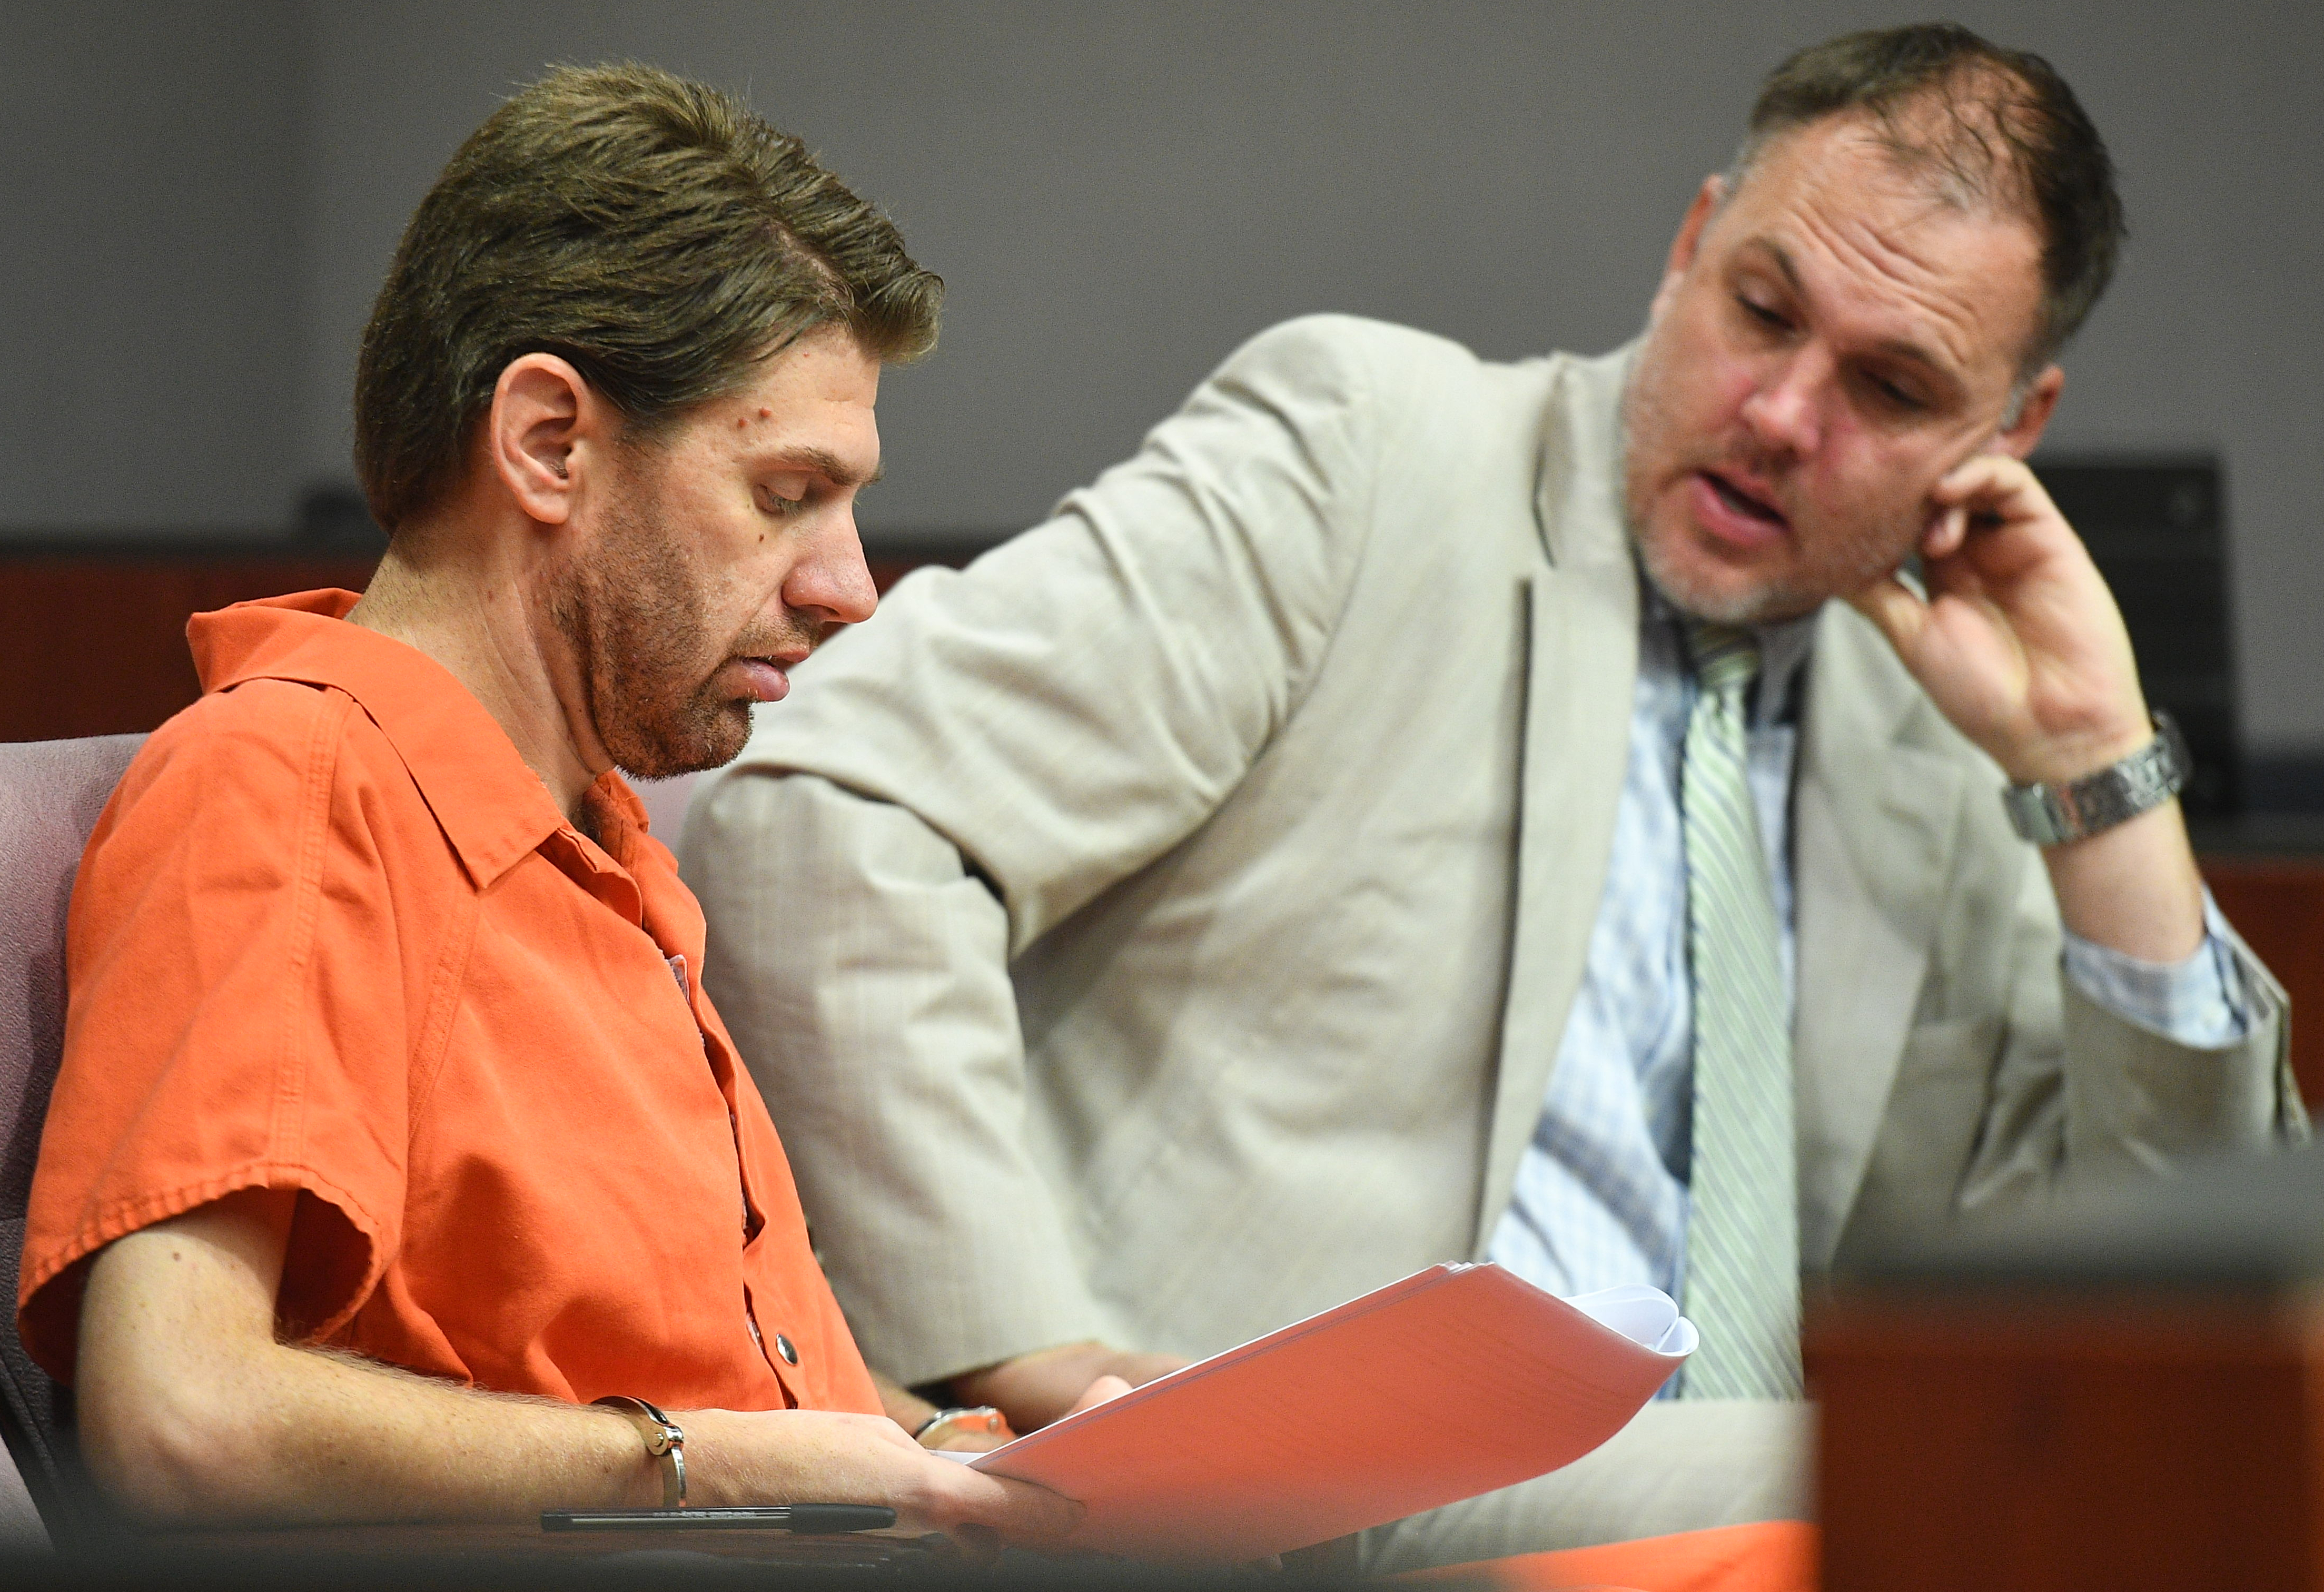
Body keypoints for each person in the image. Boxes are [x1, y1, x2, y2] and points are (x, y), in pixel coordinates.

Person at [680, 23, 2308, 1570]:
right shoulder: (1371, 454)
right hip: (1266, 1487)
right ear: (1691, 243)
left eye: (1890, 390)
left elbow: (2180, 1318)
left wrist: (2100, 773)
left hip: (1699, 1523)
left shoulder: (1951, 721)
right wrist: (1029, 1353)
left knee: (2180, 1455)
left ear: (2008, 430)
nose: (1783, 416)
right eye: (1761, 308)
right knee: (2091, 1471)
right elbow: (828, 803)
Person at [16, 63, 1083, 1542]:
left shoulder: (605, 842)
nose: (849, 588)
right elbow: (182, 1418)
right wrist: (710, 1467)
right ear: (547, 444)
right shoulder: (295, 783)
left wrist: (989, 1444)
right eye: (784, 494)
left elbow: (746, 1396)